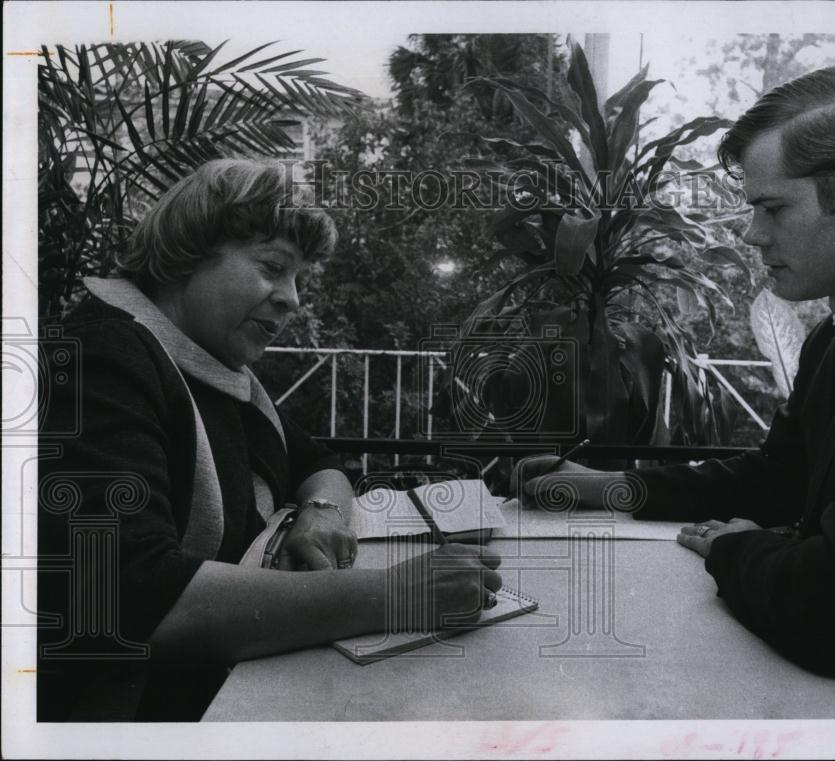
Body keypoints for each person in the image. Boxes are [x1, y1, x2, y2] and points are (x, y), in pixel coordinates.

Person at [515, 65, 835, 718]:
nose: (752, 233)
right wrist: (608, 484)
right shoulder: (833, 342)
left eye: (773, 207)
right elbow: (775, 477)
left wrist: (733, 548)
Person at [38, 159, 502, 721]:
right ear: (188, 253)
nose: (293, 299)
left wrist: (324, 513)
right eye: (272, 268)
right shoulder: (96, 362)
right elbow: (132, 595)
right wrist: (395, 596)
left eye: (297, 278)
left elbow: (315, 461)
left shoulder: (211, 366)